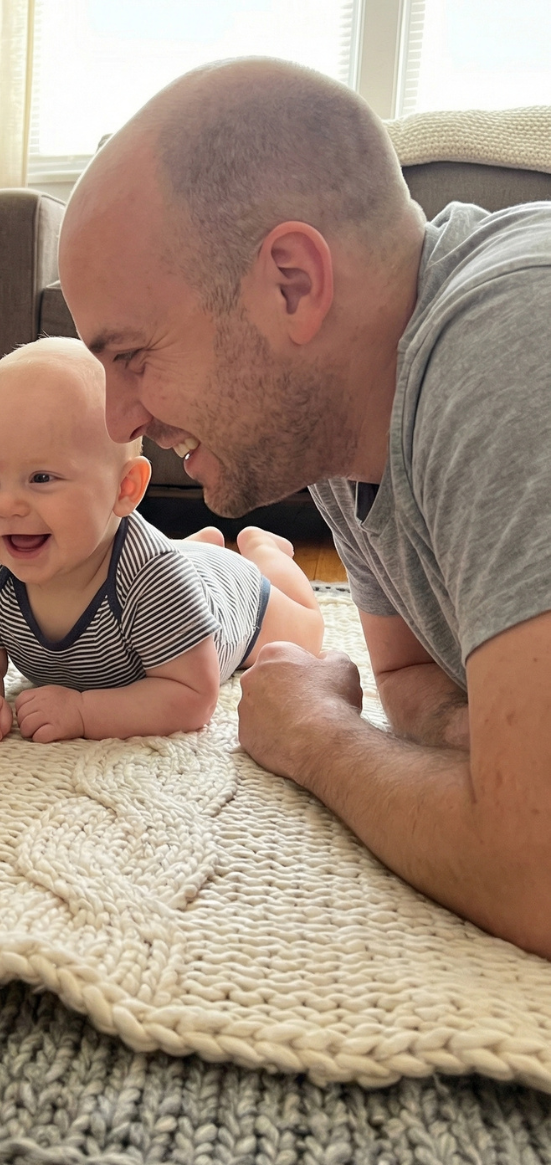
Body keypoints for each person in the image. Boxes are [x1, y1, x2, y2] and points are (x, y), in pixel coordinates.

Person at [57, 57, 551, 957]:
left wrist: (316, 736)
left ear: (292, 283)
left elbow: (538, 872)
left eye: (131, 356)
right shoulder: (345, 412)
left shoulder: (511, 343)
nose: (117, 419)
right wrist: (483, 759)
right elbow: (408, 679)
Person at [0, 337, 323, 748]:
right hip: (172, 562)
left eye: (41, 478)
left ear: (126, 488)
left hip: (235, 595)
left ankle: (265, 551)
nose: (6, 507)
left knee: (307, 633)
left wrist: (83, 711)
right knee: (178, 557)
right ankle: (198, 546)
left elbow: (193, 697)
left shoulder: (154, 579)